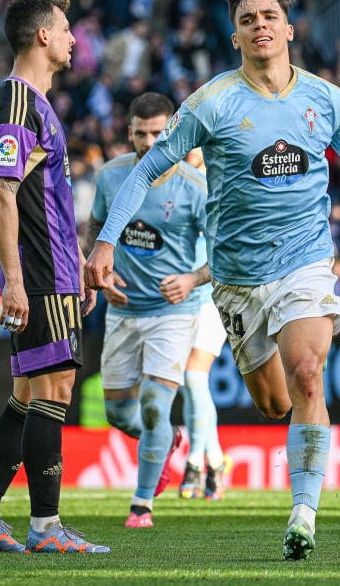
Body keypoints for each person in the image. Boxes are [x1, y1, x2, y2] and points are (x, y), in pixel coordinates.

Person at [84, 0, 340, 561]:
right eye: (248, 20)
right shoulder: (211, 103)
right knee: (275, 404)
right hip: (237, 279)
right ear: (235, 36)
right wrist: (105, 242)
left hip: (305, 259)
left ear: (290, 28)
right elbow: (145, 170)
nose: (260, 26)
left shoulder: (326, 100)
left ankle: (303, 515)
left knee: (307, 375)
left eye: (269, 16)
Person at [0, 0, 109, 555]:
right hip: (40, 275)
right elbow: (2, 190)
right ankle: (45, 528)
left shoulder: (34, 102)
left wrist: (78, 269)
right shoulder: (16, 101)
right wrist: (14, 279)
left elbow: (46, 198)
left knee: (25, 396)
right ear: (42, 36)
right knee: (54, 391)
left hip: (56, 272)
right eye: (66, 29)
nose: (73, 39)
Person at [84, 92, 209, 529]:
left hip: (174, 312)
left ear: (173, 130)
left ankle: (141, 505)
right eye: (142, 134)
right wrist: (99, 275)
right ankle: (168, 439)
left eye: (159, 133)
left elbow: (226, 253)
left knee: (156, 404)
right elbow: (98, 228)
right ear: (129, 132)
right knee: (120, 414)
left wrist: (193, 279)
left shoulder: (195, 187)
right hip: (123, 308)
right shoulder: (111, 176)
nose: (150, 142)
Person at [178, 147, 232, 502]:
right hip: (182, 297)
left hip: (214, 293)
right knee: (190, 382)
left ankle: (195, 463)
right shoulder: (178, 185)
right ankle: (215, 462)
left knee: (194, 376)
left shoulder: (219, 183)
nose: (189, 151)